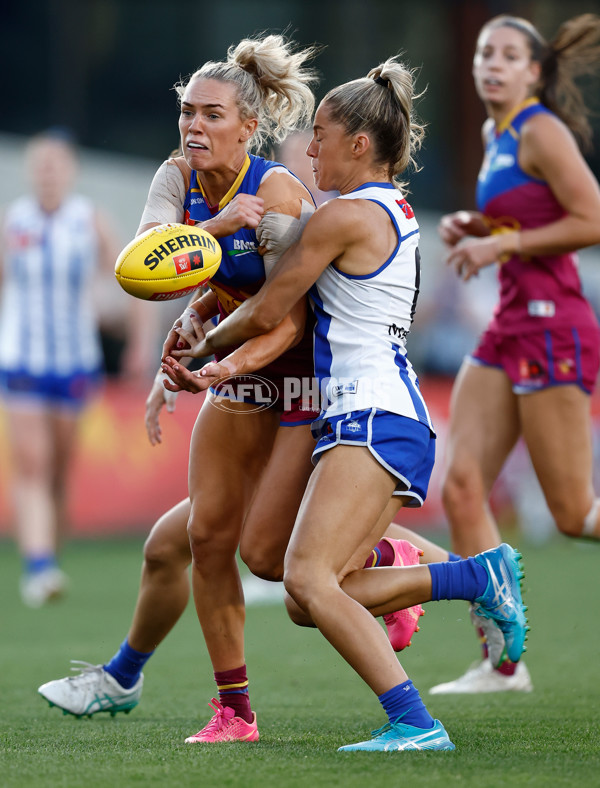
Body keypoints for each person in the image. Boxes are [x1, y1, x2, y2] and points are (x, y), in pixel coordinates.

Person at [36, 35, 430, 739]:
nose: (193, 127)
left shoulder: (280, 195)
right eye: (187, 113)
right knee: (205, 539)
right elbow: (141, 265)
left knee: (271, 558)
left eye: (212, 115)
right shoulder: (175, 178)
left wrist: (218, 359)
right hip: (236, 380)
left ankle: (398, 561)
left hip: (299, 384)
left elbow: (286, 319)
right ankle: (232, 712)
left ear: (249, 127)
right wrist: (205, 270)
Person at [162, 57, 528, 752]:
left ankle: (416, 722)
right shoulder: (384, 208)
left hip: (375, 417)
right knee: (301, 591)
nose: (310, 149)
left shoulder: (346, 216)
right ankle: (474, 575)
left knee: (307, 580)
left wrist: (205, 350)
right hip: (370, 417)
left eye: (322, 135)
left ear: (359, 145)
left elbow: (272, 305)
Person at [429, 13, 600, 695]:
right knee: (463, 486)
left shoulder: (540, 129)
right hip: (508, 325)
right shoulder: (492, 133)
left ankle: (503, 659)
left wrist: (499, 245)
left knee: (573, 514)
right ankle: (503, 661)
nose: (491, 64)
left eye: (507, 55)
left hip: (553, 325)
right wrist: (479, 227)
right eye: (483, 53)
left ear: (534, 71)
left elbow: (592, 218)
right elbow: (526, 219)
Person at [0, 129, 146, 607]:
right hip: (21, 358)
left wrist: (138, 341)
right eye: (40, 166)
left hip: (73, 361)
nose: (48, 175)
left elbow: (131, 278)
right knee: (33, 466)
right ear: (31, 173)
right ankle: (38, 564)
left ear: (69, 172)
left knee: (60, 470)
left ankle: (49, 558)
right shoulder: (14, 222)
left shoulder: (90, 222)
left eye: (56, 166)